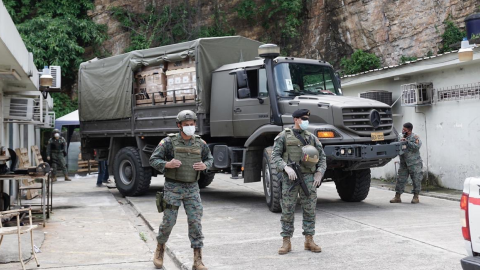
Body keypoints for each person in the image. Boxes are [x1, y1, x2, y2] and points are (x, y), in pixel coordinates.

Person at [149, 110, 213, 270]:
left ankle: (197, 260)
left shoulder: (200, 143)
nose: (190, 127)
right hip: (173, 188)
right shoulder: (169, 142)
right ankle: (160, 249)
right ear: (179, 126)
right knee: (168, 222)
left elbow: (209, 158)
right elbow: (153, 159)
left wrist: (205, 166)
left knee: (195, 224)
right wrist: (166, 165)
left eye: (192, 124)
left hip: (192, 188)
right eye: (186, 125)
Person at [271, 109, 327, 255]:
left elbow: (322, 157)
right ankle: (286, 241)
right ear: (296, 119)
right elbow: (275, 156)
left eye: (307, 118)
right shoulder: (284, 136)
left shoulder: (312, 138)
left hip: (308, 178)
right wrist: (285, 168)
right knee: (287, 209)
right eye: (303, 118)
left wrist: (319, 173)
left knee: (310, 209)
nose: (306, 121)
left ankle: (309, 240)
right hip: (290, 178)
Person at [390, 122, 423, 204]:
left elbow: (417, 147)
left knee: (416, 179)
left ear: (409, 131)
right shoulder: (400, 136)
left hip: (414, 163)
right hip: (404, 163)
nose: (403, 131)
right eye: (403, 129)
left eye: (405, 130)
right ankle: (397, 196)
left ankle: (416, 196)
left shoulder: (415, 137)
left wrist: (407, 142)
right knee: (400, 179)